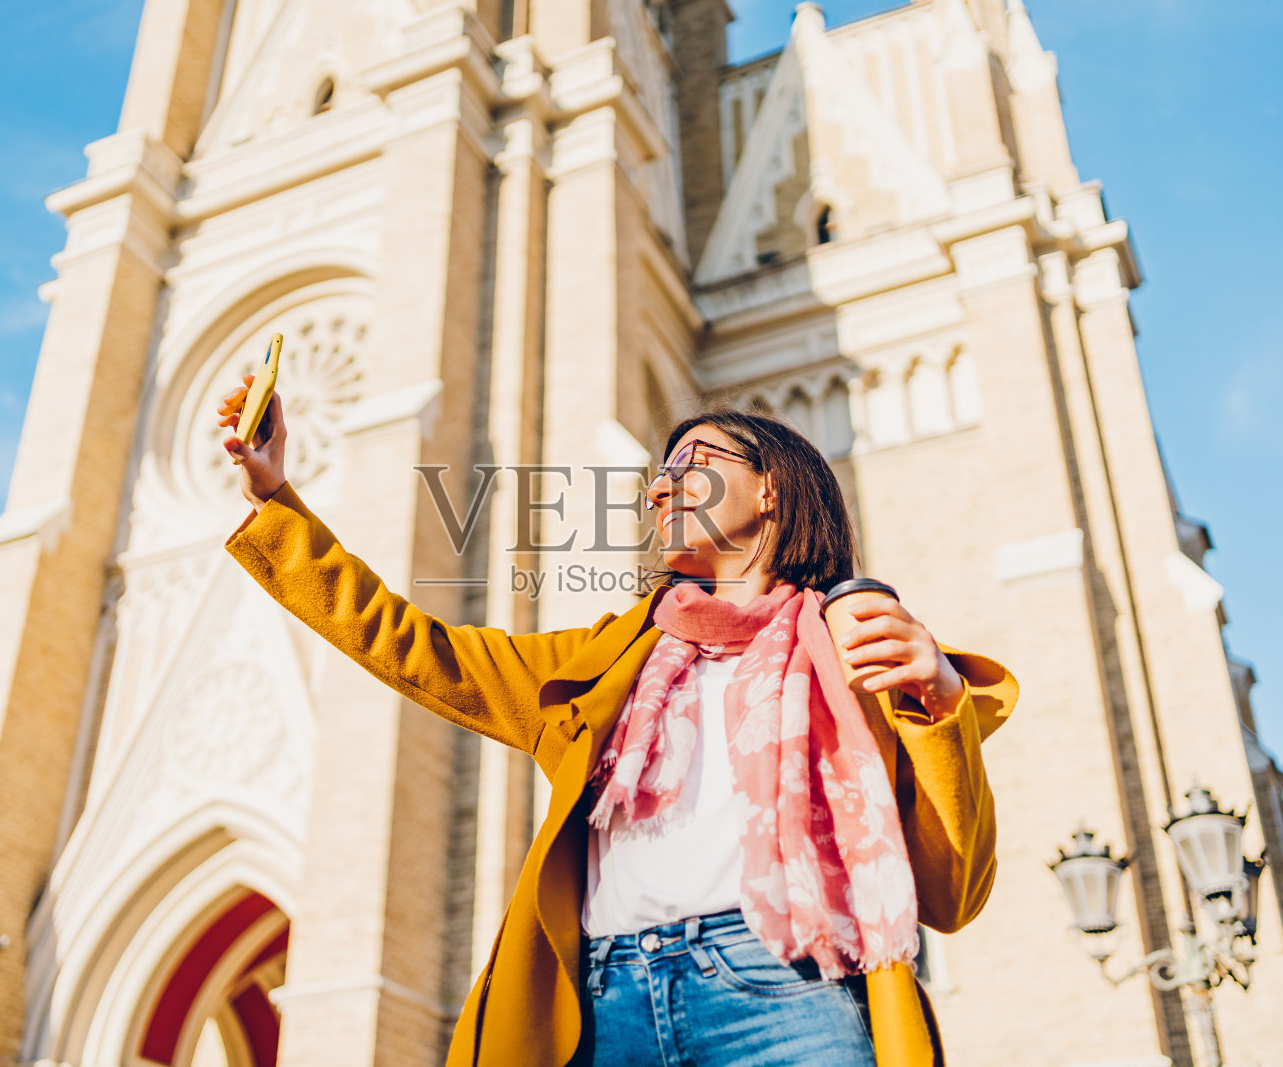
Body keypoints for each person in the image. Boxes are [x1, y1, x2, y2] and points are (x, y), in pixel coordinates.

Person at [217, 380, 1017, 1067]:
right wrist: (274, 498)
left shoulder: (856, 653)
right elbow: (411, 644)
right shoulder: (606, 662)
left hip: (789, 991)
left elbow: (953, 891)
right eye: (661, 474)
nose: (663, 487)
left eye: (695, 462)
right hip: (609, 1006)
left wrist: (937, 696)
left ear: (771, 489)